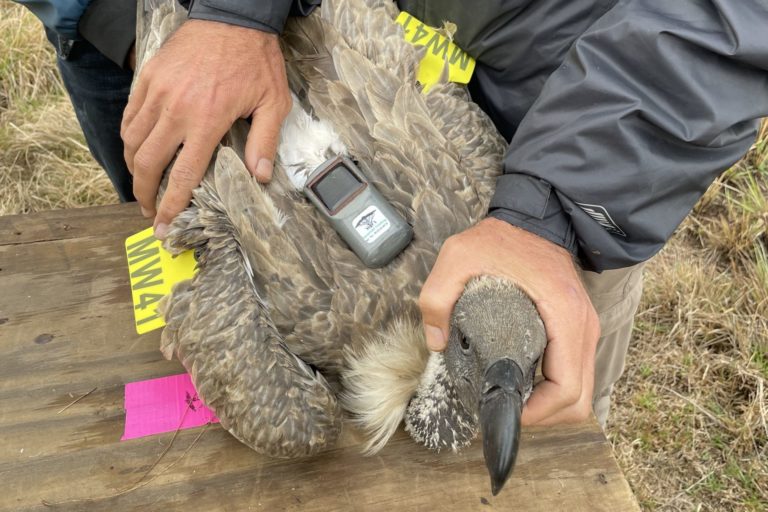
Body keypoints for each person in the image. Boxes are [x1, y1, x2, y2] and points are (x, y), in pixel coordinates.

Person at [19, 0, 768, 428]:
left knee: (547, 421)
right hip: (237, 47)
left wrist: (551, 212)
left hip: (563, 119)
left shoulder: (497, 181)